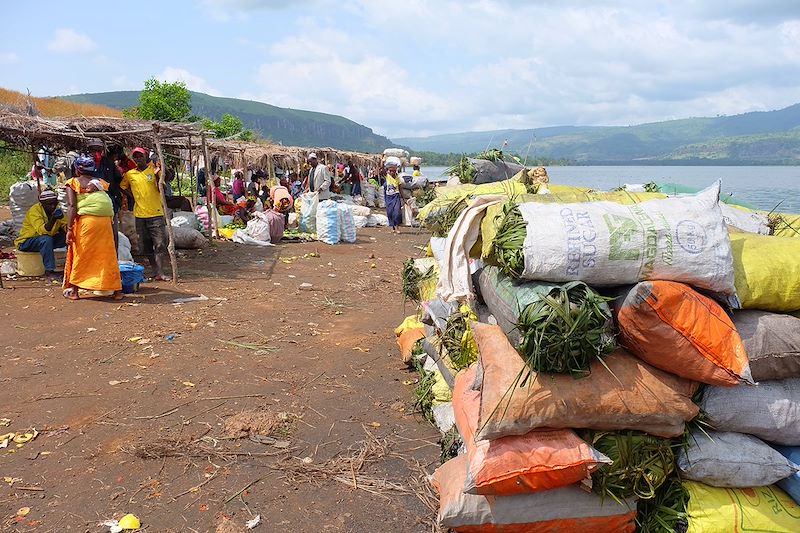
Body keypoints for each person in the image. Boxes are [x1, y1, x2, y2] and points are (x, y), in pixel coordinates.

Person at [62, 156, 122, 300]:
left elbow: (71, 206)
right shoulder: (100, 183)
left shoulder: (73, 182)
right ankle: (117, 291)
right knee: (107, 254)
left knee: (81, 253)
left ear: (77, 169)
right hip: (106, 222)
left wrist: (70, 229)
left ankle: (75, 291)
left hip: (87, 222)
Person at [120, 147, 170, 281]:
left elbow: (163, 187)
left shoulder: (153, 170)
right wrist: (132, 197)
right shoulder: (130, 174)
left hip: (156, 213)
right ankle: (155, 270)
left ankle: (160, 272)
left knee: (160, 244)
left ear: (146, 157)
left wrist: (160, 173)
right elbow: (122, 186)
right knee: (145, 245)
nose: (138, 159)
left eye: (140, 156)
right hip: (140, 214)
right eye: (135, 157)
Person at [14, 190, 67, 280]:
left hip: (45, 240)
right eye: (49, 204)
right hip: (26, 242)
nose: (52, 206)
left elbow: (66, 226)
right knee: (46, 239)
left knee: (69, 237)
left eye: (54, 203)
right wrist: (53, 219)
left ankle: (70, 266)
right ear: (42, 204)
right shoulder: (35, 211)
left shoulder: (57, 210)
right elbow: (42, 231)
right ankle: (49, 271)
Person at [384, 159, 402, 233]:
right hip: (388, 197)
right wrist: (383, 159)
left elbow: (400, 188)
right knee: (390, 212)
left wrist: (402, 197)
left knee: (397, 212)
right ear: (388, 171)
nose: (392, 172)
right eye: (391, 171)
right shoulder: (387, 177)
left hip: (396, 196)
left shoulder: (398, 178)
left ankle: (397, 227)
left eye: (394, 171)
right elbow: (382, 170)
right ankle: (392, 227)